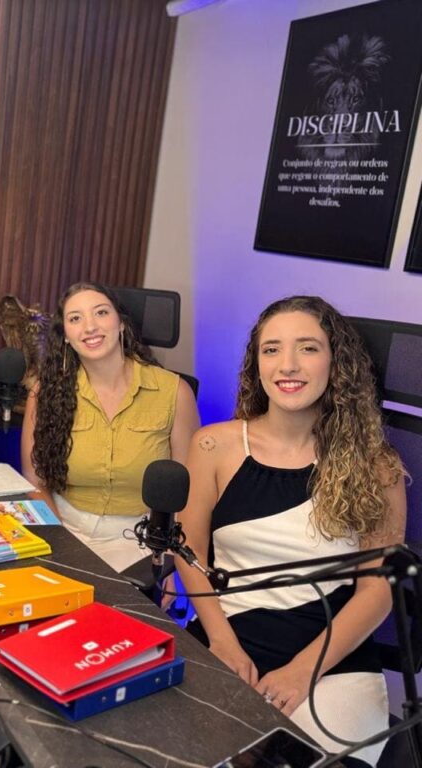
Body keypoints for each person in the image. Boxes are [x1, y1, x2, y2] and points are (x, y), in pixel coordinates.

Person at [175, 296, 405, 767]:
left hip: (331, 660)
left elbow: (377, 591)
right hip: (226, 637)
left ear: (336, 363)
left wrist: (301, 672)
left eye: (308, 348)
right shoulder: (214, 445)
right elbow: (189, 548)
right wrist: (222, 643)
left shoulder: (376, 465)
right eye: (272, 349)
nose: (288, 365)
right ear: (256, 363)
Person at [21, 282, 199, 572]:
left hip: (140, 542)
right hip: (64, 529)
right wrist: (60, 543)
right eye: (75, 318)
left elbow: (188, 490)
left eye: (101, 313)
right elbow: (34, 478)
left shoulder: (175, 392)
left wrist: (169, 561)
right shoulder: (44, 393)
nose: (89, 326)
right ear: (65, 336)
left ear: (121, 323)